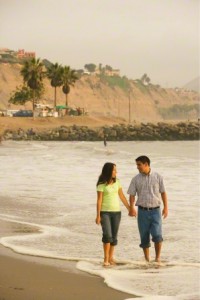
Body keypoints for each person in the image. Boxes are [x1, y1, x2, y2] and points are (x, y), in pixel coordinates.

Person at [128, 155, 168, 263]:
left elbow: (163, 192)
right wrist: (131, 208)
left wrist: (166, 208)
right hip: (142, 212)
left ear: (146, 164)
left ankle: (157, 258)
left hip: (156, 211)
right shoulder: (135, 179)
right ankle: (147, 260)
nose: (137, 167)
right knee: (144, 236)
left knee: (157, 235)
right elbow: (132, 195)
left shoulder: (158, 177)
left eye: (139, 165)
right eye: (137, 165)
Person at [96, 162, 130, 266]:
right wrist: (98, 215)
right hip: (105, 212)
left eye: (116, 170)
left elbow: (122, 196)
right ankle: (106, 259)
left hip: (117, 213)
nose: (116, 172)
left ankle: (111, 258)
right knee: (107, 235)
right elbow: (99, 200)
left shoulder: (117, 182)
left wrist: (130, 208)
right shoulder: (101, 184)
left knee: (114, 237)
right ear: (109, 171)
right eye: (114, 170)